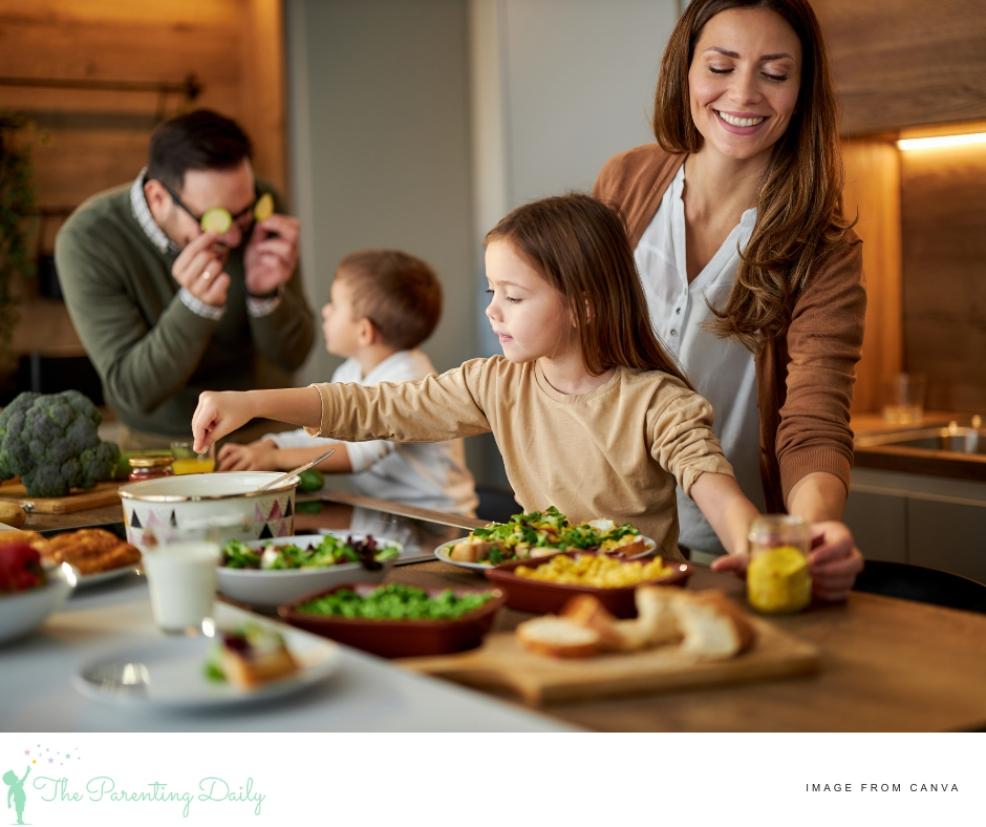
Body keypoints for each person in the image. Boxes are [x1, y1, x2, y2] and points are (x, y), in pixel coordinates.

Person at [193, 193, 782, 562]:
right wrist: (250, 402)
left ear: (583, 304)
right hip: (533, 584)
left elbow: (717, 492)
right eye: (490, 292)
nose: (492, 311)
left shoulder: (656, 402)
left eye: (514, 296)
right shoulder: (496, 383)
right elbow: (372, 409)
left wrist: (760, 553)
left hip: (633, 597)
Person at [593, 0, 864, 599]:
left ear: (802, 89)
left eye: (774, 73)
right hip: (596, 537)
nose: (744, 94)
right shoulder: (625, 184)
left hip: (727, 553)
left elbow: (813, 421)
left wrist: (813, 531)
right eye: (720, 66)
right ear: (685, 71)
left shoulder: (823, 248)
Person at [55, 109, 316, 449]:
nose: (236, 237)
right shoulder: (87, 239)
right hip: (162, 446)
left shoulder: (258, 205)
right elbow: (134, 391)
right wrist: (194, 307)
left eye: (244, 214)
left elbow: (294, 356)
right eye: (216, 218)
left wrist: (265, 297)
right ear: (158, 198)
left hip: (264, 437)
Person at [217, 249, 478, 516]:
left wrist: (274, 459)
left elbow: (357, 455)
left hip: (436, 518)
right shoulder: (351, 371)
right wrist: (272, 444)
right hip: (385, 513)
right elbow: (328, 431)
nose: (325, 311)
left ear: (364, 331)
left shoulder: (410, 379)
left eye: (335, 304)